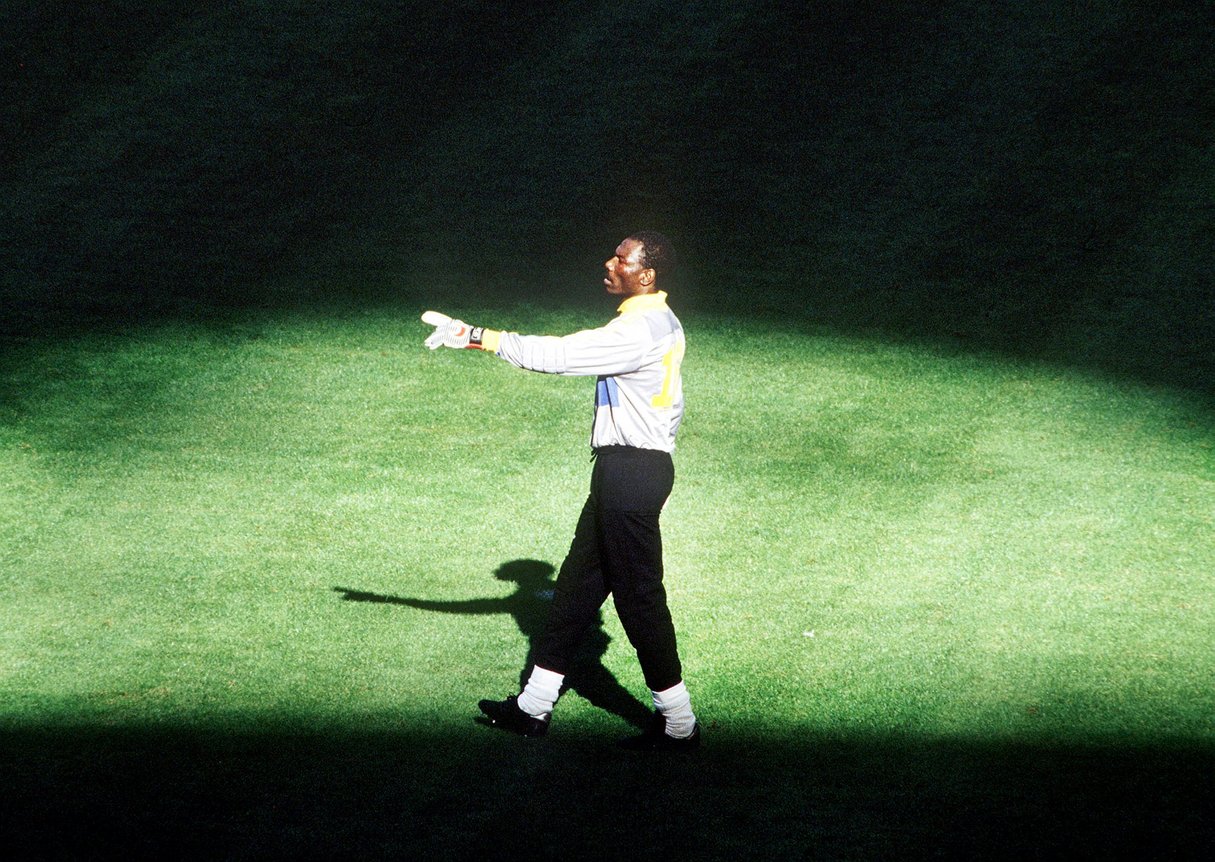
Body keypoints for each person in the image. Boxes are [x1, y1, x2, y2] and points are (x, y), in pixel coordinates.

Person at [421, 231, 700, 750]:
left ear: (647, 275)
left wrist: (478, 336)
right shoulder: (655, 317)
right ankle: (533, 706)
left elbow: (559, 355)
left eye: (622, 258)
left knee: (641, 602)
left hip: (630, 476)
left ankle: (679, 724)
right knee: (575, 591)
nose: (609, 262)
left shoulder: (639, 329)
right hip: (625, 471)